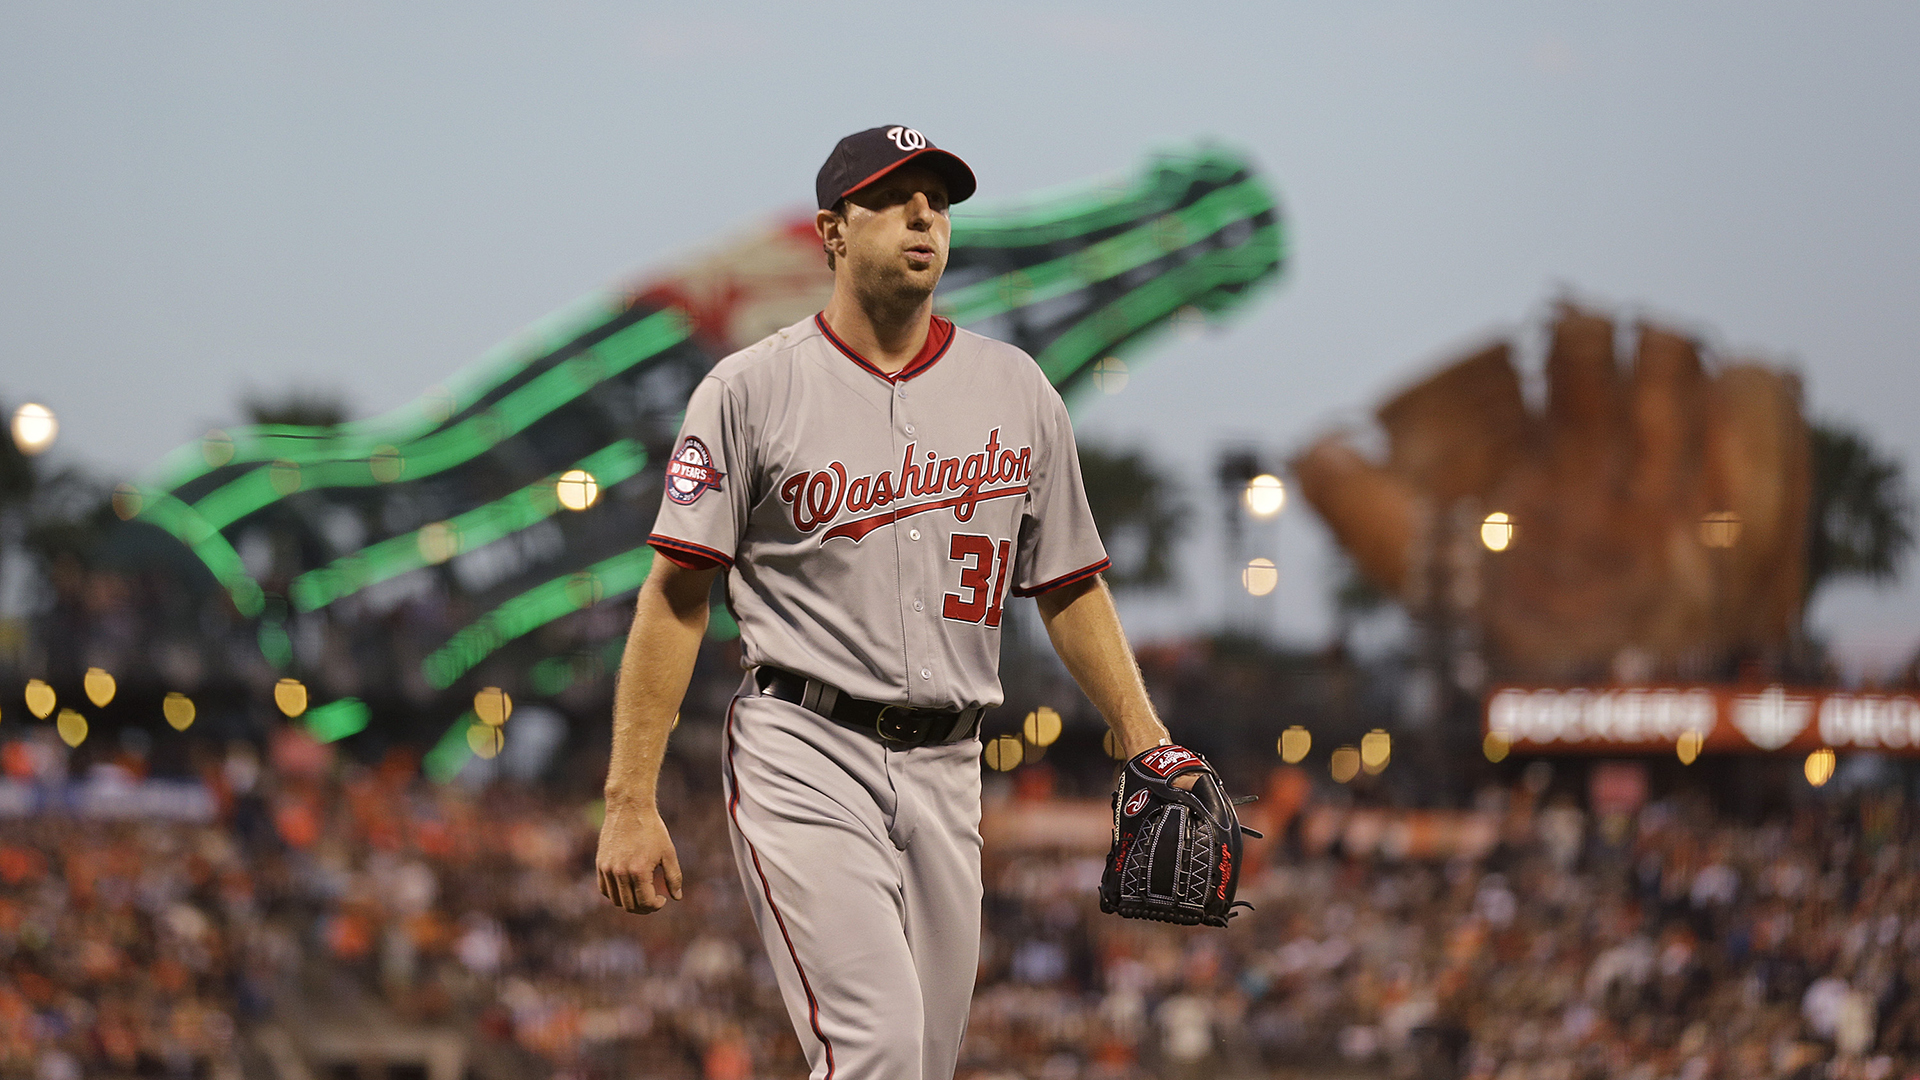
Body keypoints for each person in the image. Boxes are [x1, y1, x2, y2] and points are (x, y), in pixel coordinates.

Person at [595, 125, 1177, 1080]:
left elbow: (1070, 583)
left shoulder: (1015, 388)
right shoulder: (749, 388)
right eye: (896, 198)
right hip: (805, 746)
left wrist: (1145, 733)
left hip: (952, 764)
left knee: (923, 1063)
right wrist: (627, 798)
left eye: (939, 202)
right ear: (831, 230)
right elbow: (675, 597)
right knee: (876, 1049)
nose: (924, 216)